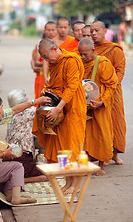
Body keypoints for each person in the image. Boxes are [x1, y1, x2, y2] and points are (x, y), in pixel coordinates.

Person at [32, 38, 87, 194]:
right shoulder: (55, 63)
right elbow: (55, 84)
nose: (46, 60)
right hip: (60, 110)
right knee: (62, 150)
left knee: (73, 147)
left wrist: (57, 108)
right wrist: (46, 90)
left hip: (73, 108)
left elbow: (72, 87)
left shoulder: (71, 60)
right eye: (44, 57)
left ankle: (75, 184)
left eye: (47, 56)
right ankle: (68, 182)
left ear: (55, 49)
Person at [0, 94, 51, 205]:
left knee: (8, 171)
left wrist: (35, 101)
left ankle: (11, 195)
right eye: (2, 107)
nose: (3, 110)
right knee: (17, 167)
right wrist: (3, 154)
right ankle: (16, 198)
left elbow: (14, 110)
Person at [78, 38, 118, 175]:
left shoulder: (103, 63)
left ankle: (101, 165)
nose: (82, 57)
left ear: (93, 50)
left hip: (101, 106)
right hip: (85, 106)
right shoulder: (80, 63)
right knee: (83, 136)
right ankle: (85, 164)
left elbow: (111, 85)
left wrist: (101, 101)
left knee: (102, 134)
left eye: (85, 54)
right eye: (80, 54)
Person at [90, 20, 126, 165]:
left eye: (96, 30)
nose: (93, 33)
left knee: (116, 122)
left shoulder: (114, 49)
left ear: (104, 31)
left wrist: (111, 85)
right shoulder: (90, 50)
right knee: (99, 126)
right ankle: (100, 155)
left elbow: (120, 70)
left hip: (113, 92)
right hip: (96, 92)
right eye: (91, 31)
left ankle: (115, 154)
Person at [6, 89, 48, 183]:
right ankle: (22, 180)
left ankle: (15, 177)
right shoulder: (30, 112)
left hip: (7, 158)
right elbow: (48, 111)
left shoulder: (9, 115)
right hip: (22, 158)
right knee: (46, 175)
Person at [31, 22, 57, 95]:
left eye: (53, 30)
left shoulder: (59, 43)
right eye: (48, 30)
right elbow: (35, 61)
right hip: (43, 75)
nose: (51, 32)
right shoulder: (40, 45)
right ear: (44, 31)